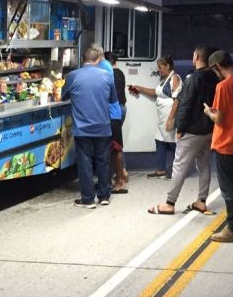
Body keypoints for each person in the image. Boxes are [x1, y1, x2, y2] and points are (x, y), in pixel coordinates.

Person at [148, 44, 218, 215]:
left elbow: (185, 105)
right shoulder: (215, 78)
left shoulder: (193, 78)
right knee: (204, 165)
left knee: (179, 165)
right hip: (208, 128)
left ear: (196, 57)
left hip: (192, 129)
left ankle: (169, 203)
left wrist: (180, 127)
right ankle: (202, 201)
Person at [202, 50, 233, 242]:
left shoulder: (223, 86)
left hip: (225, 143)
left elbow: (220, 119)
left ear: (217, 67)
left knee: (230, 189)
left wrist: (209, 112)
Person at [62, 45, 117, 209]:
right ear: (98, 60)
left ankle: (88, 199)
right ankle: (104, 195)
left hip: (82, 129)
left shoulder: (73, 76)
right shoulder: (107, 76)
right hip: (103, 127)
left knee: (85, 163)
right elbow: (113, 100)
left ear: (82, 60)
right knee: (103, 161)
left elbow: (63, 95)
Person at [129, 55, 182, 179]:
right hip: (162, 116)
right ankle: (160, 170)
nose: (159, 70)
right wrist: (139, 88)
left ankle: (179, 170)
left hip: (170, 115)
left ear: (168, 66)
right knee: (160, 141)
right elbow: (155, 93)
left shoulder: (174, 78)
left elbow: (177, 100)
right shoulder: (163, 79)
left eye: (160, 67)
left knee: (174, 143)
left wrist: (171, 119)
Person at [104, 51, 129, 193]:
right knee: (116, 143)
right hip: (122, 108)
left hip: (114, 110)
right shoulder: (120, 73)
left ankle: (121, 175)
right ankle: (122, 172)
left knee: (113, 144)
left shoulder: (108, 75)